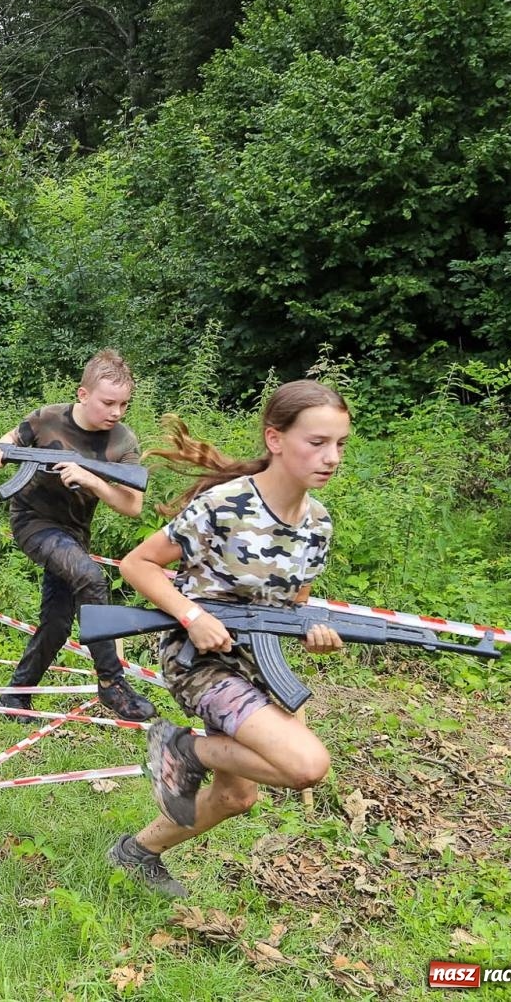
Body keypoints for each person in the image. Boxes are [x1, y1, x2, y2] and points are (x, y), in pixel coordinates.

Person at [106, 380, 350, 898]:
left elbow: (292, 607)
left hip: (259, 663)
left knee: (239, 797)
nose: (331, 457)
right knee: (308, 766)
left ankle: (135, 853)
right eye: (317, 442)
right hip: (200, 660)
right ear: (276, 439)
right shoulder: (227, 504)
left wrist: (313, 634)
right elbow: (138, 564)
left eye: (340, 445)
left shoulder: (319, 525)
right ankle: (186, 749)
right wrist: (192, 616)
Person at [0, 349, 154, 722]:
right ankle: (111, 682)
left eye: (124, 404)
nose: (117, 412)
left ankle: (16, 696)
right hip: (33, 522)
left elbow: (133, 505)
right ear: (83, 394)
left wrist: (93, 481)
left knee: (58, 622)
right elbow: (11, 438)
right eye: (108, 403)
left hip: (74, 534)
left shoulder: (123, 441)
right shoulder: (47, 418)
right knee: (91, 578)